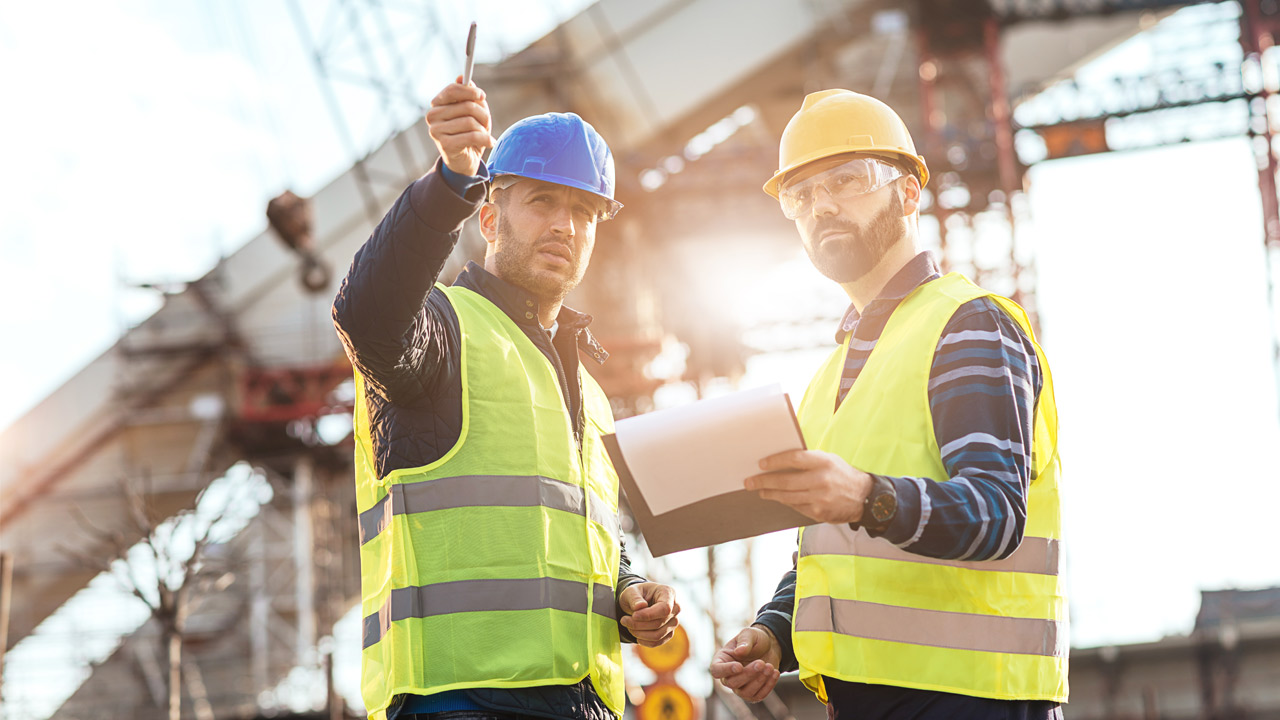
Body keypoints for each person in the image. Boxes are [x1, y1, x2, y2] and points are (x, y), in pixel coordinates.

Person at [709, 89, 1067, 719]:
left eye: (846, 180)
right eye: (802, 195)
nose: (822, 205)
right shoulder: (829, 380)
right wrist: (772, 630)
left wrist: (868, 495)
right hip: (866, 703)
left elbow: (996, 513)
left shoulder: (967, 326)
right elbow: (833, 554)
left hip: (973, 700)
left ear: (907, 193)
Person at [333, 78, 680, 720]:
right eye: (542, 202)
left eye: (583, 212)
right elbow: (367, 314)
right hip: (458, 701)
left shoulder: (589, 391)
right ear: (489, 217)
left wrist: (628, 591)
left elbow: (572, 531)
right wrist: (451, 180)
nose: (564, 226)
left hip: (584, 704)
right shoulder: (442, 329)